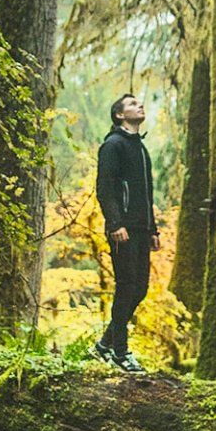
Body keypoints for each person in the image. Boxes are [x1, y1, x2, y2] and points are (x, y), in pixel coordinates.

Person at [95, 92, 158, 370]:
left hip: (141, 230)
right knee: (126, 287)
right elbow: (105, 189)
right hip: (122, 230)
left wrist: (153, 228)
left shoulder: (140, 148)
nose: (139, 105)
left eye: (139, 103)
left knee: (140, 288)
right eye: (132, 104)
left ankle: (105, 344)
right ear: (120, 115)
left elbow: (147, 194)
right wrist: (115, 223)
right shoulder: (113, 145)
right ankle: (120, 353)